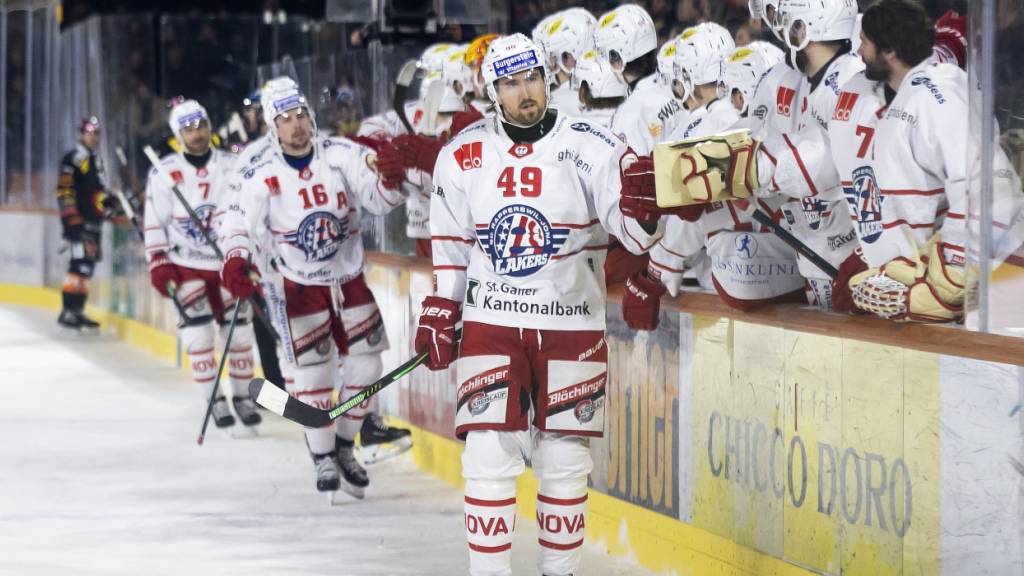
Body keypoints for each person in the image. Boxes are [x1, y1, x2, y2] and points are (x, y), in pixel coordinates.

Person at [415, 33, 664, 576]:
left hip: (572, 321)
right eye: (510, 83)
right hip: (491, 323)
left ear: (546, 79)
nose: (525, 92)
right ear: (492, 90)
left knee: (565, 460)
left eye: (531, 79)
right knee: (486, 453)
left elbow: (632, 234)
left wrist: (646, 212)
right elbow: (452, 247)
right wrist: (440, 309)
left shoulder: (594, 144)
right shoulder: (463, 154)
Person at [219, 81, 406, 497]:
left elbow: (380, 200)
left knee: (367, 368)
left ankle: (343, 446)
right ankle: (322, 456)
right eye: (285, 120)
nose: (296, 126)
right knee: (314, 379)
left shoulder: (343, 154)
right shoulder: (260, 172)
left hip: (348, 278)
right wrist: (236, 259)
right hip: (296, 286)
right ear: (273, 126)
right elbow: (235, 222)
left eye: (300, 115)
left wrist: (392, 178)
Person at [845, 0, 1023, 321]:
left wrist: (954, 270)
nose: (858, 49)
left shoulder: (936, 94)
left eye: (865, 41)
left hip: (993, 277)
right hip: (951, 271)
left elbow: (985, 181)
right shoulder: (916, 93)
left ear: (890, 51)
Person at [144, 100, 260, 431]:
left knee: (239, 335)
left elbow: (246, 212)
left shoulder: (232, 164)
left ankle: (242, 397)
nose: (197, 133)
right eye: (188, 129)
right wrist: (159, 262)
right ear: (177, 134)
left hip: (225, 263)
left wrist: (246, 257)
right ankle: (214, 399)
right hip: (185, 266)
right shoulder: (164, 171)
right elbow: (155, 221)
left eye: (201, 125)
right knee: (198, 339)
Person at [56, 117, 118, 331]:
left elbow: (97, 192)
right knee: (79, 265)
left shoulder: (96, 161)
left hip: (93, 221)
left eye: (97, 133)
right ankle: (68, 311)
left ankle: (77, 310)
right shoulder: (72, 159)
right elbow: (64, 191)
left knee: (87, 267)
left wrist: (109, 203)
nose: (93, 137)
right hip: (78, 222)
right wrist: (71, 220)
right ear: (81, 134)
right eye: (89, 132)